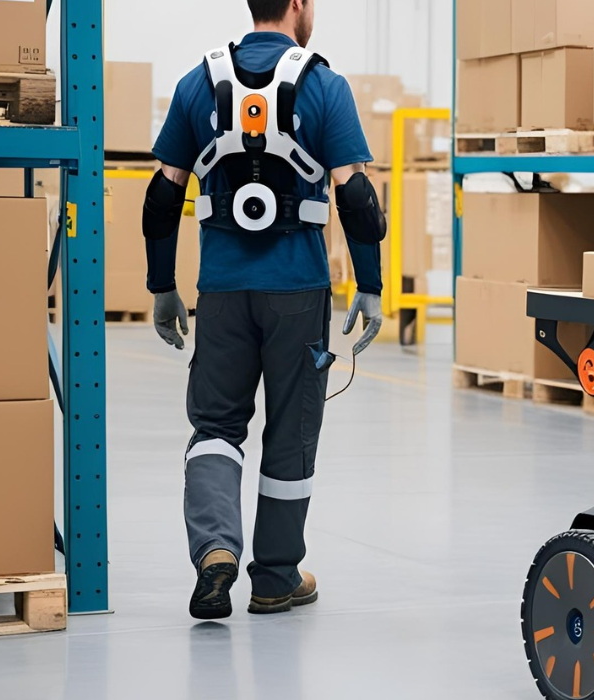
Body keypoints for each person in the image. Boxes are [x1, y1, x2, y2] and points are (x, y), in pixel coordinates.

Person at [141, 0, 387, 619]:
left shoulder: (196, 82)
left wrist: (161, 286)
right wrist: (372, 285)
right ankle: (276, 578)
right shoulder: (325, 85)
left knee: (216, 428)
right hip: (298, 292)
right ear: (299, 5)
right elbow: (355, 193)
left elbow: (163, 192)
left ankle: (216, 550)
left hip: (221, 292)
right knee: (291, 432)